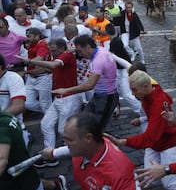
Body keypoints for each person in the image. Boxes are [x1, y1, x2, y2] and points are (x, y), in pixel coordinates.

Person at [104, 70, 176, 190]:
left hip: (167, 144)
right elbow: (153, 119)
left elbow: (150, 136)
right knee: (149, 179)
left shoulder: (158, 103)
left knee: (169, 184)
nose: (133, 94)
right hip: (155, 144)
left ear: (145, 87)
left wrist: (124, 141)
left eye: (134, 90)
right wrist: (142, 119)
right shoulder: (149, 89)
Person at [16, 38, 82, 167]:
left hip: (69, 98)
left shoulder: (66, 56)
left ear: (62, 48)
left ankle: (80, 150)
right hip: (59, 98)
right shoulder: (59, 56)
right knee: (46, 124)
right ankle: (50, 155)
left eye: (55, 49)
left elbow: (52, 65)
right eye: (51, 49)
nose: (52, 52)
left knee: (63, 130)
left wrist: (29, 61)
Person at [40, 113, 139, 190]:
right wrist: (53, 153)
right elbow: (69, 149)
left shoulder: (119, 174)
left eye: (70, 140)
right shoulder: (83, 149)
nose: (66, 144)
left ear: (88, 138)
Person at [51, 35, 118, 130]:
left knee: (97, 129)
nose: (80, 54)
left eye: (79, 51)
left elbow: (89, 85)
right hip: (99, 95)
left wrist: (66, 90)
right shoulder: (98, 49)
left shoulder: (99, 59)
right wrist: (71, 50)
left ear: (87, 47)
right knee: (85, 121)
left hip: (107, 97)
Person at [0, 111, 43, 190]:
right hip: (27, 179)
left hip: (19, 184)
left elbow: (2, 161)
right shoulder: (6, 117)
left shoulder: (3, 126)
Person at [24, 28, 53, 114]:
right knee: (27, 102)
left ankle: (50, 113)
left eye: (29, 36)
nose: (27, 38)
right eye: (26, 36)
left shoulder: (42, 44)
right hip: (31, 77)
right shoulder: (32, 44)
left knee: (45, 104)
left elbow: (40, 59)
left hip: (43, 77)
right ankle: (53, 111)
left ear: (37, 36)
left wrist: (24, 63)